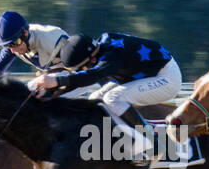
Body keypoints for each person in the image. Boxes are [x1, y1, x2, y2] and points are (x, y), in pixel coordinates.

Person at [32, 32, 182, 162]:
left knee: (112, 98)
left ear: (91, 59)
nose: (84, 70)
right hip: (144, 75)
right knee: (94, 100)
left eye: (83, 68)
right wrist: (51, 91)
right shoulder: (98, 50)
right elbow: (82, 77)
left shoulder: (112, 56)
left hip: (167, 78)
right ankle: (119, 141)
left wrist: (57, 81)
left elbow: (92, 76)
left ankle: (153, 143)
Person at [0, 11, 71, 84]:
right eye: (6, 45)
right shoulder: (14, 45)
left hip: (80, 74)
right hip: (59, 74)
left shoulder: (53, 41)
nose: (13, 50)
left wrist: (56, 79)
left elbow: (80, 69)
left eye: (15, 43)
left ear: (25, 34)